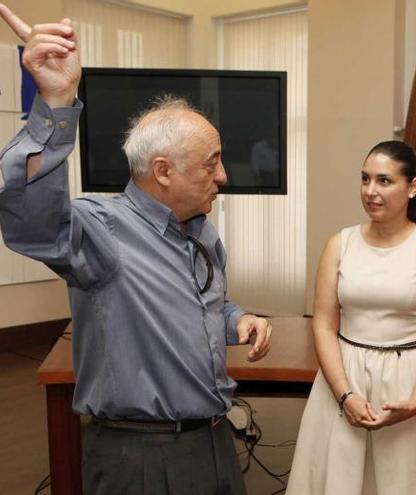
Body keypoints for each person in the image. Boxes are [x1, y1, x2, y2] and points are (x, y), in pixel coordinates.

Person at [0, 6, 272, 494]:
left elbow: (203, 303)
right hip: (143, 457)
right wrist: (57, 101)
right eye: (211, 165)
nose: (224, 176)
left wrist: (237, 320)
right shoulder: (103, 230)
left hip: (213, 440)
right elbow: (32, 221)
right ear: (164, 171)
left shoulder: (203, 232)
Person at [286, 141, 416, 494]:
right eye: (365, 179)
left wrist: (415, 401)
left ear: (412, 187)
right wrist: (344, 395)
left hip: (413, 384)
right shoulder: (340, 244)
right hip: (344, 380)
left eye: (384, 181)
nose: (371, 191)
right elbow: (323, 325)